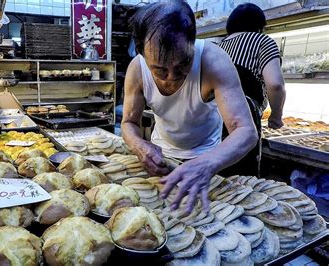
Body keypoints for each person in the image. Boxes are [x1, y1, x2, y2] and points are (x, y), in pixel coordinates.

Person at [121, 1, 258, 213]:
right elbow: (129, 122)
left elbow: (246, 131)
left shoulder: (213, 61)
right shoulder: (137, 69)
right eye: (160, 70)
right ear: (141, 52)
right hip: (161, 160)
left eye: (182, 65)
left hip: (207, 159)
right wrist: (140, 146)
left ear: (192, 43)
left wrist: (207, 164)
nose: (171, 77)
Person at [219, 3, 286, 177]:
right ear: (260, 26)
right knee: (241, 180)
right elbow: (275, 84)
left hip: (213, 114)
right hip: (243, 116)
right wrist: (276, 115)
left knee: (216, 176)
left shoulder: (220, 46)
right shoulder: (263, 41)